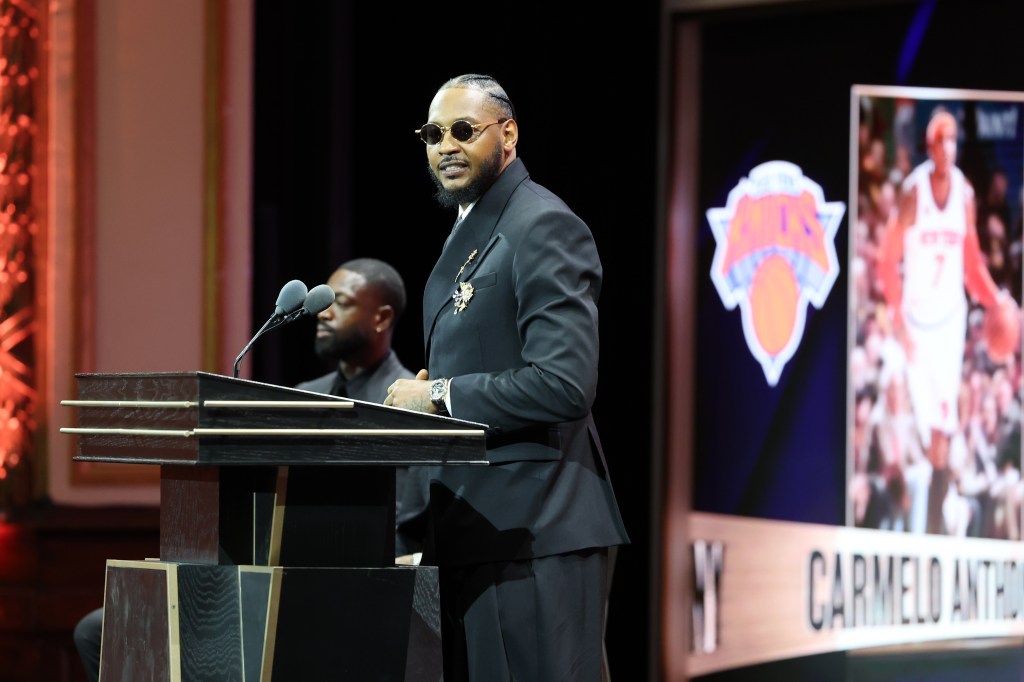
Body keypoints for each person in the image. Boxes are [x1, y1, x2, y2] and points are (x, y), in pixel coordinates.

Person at [384, 74, 628, 682]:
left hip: (536, 531)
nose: (446, 146)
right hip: (480, 531)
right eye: (433, 134)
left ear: (508, 134)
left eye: (464, 131)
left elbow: (565, 383)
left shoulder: (541, 224)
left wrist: (438, 395)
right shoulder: (478, 227)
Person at [73, 257, 418, 681]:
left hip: (352, 583)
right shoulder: (302, 397)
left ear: (382, 317)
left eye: (341, 303)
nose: (323, 313)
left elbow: (411, 519)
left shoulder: (407, 403)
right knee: (98, 632)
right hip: (265, 570)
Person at [878, 108, 1014, 535]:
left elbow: (971, 263)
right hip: (916, 325)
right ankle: (916, 518)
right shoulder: (913, 192)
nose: (950, 149)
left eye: (955, 141)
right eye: (943, 140)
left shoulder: (966, 195)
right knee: (920, 429)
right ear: (930, 146)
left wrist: (997, 301)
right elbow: (885, 260)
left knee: (943, 428)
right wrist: (897, 318)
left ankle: (935, 528)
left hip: (950, 321)